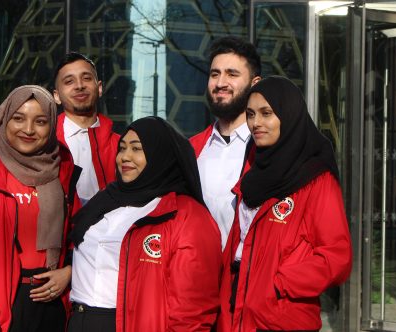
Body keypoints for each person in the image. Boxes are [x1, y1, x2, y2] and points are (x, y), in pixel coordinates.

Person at [218, 76, 352, 331]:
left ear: (288, 114)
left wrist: (279, 282)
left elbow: (337, 257)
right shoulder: (252, 172)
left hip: (281, 315)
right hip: (237, 309)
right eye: (250, 114)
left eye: (267, 113)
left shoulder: (316, 179)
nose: (256, 123)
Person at [68, 116, 221, 332]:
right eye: (122, 148)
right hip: (79, 320)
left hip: (126, 324)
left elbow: (193, 309)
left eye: (137, 149)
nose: (125, 157)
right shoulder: (105, 199)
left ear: (160, 155)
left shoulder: (187, 216)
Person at [0, 85, 80, 332]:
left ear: (52, 125)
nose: (29, 129)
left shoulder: (63, 173)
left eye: (40, 121)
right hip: (5, 307)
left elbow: (78, 237)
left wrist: (70, 271)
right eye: (18, 118)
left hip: (55, 304)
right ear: (3, 121)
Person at [190, 36, 261, 248]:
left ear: (254, 83)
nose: (220, 83)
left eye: (232, 74)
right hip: (198, 274)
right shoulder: (191, 150)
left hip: (246, 275)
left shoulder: (266, 150)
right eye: (215, 74)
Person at [53, 52, 120, 205]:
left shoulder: (122, 146)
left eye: (87, 78)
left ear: (100, 88)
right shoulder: (45, 144)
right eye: (69, 81)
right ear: (56, 96)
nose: (79, 86)